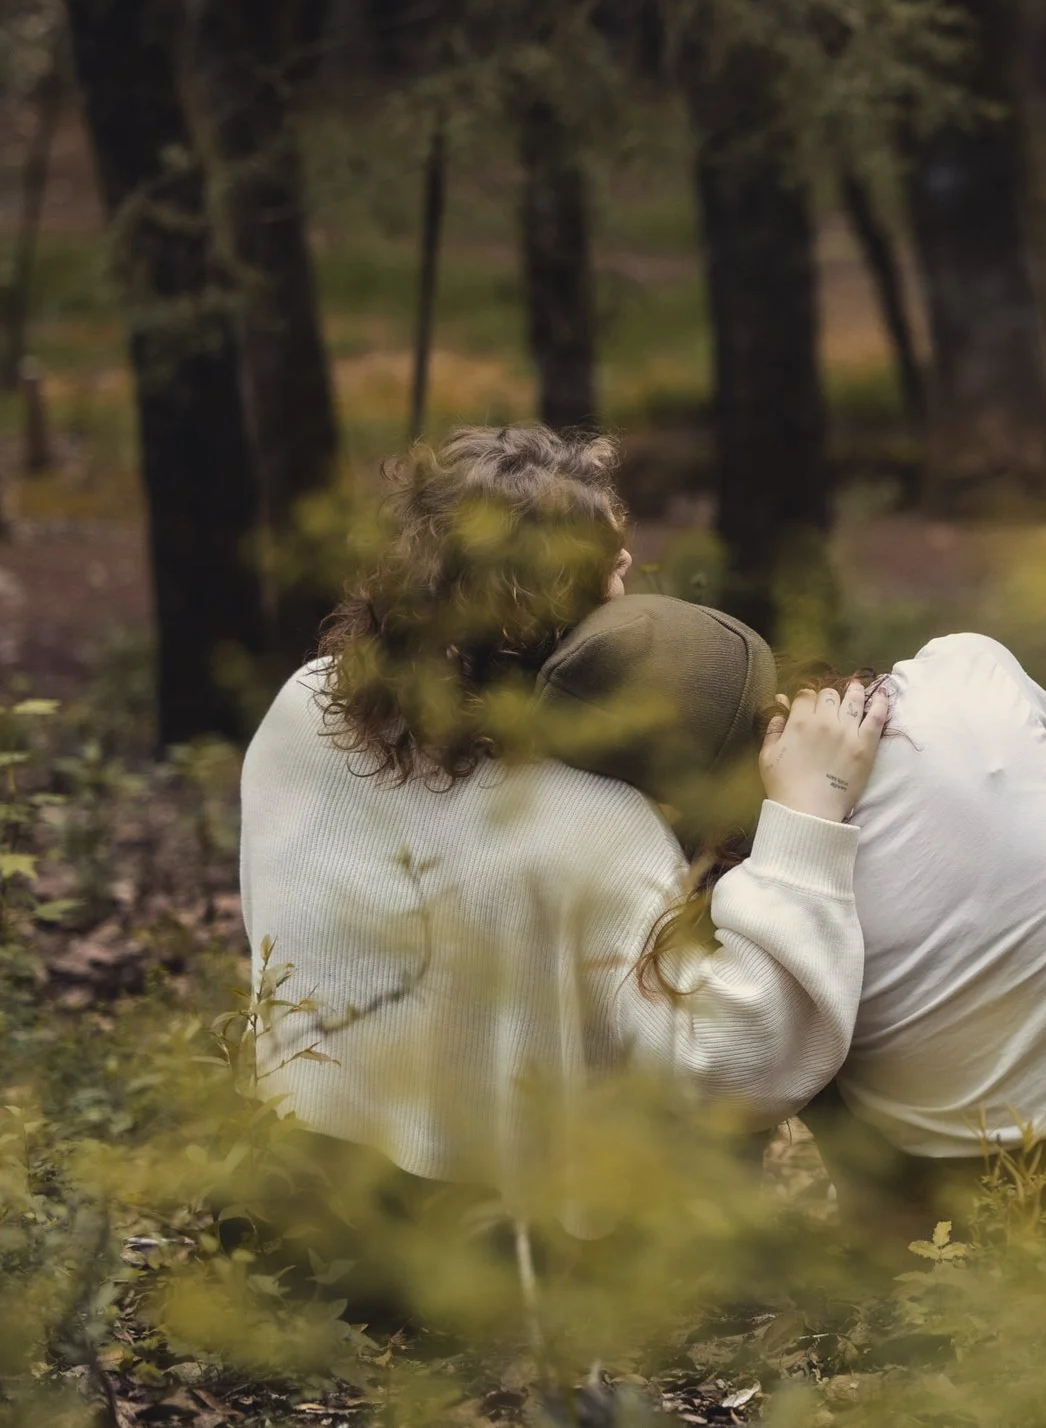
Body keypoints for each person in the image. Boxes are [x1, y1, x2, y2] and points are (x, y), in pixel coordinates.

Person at [236, 426, 890, 1216]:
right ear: (543, 614)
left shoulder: (304, 703)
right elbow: (732, 1062)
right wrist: (804, 820)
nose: (632, 593)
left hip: (297, 1187)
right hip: (497, 1241)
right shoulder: (590, 818)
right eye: (616, 573)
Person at [545, 622, 1046, 1234]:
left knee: (807, 1001)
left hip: (1022, 1227)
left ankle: (896, 1236)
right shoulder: (961, 668)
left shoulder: (747, 905)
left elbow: (735, 1082)